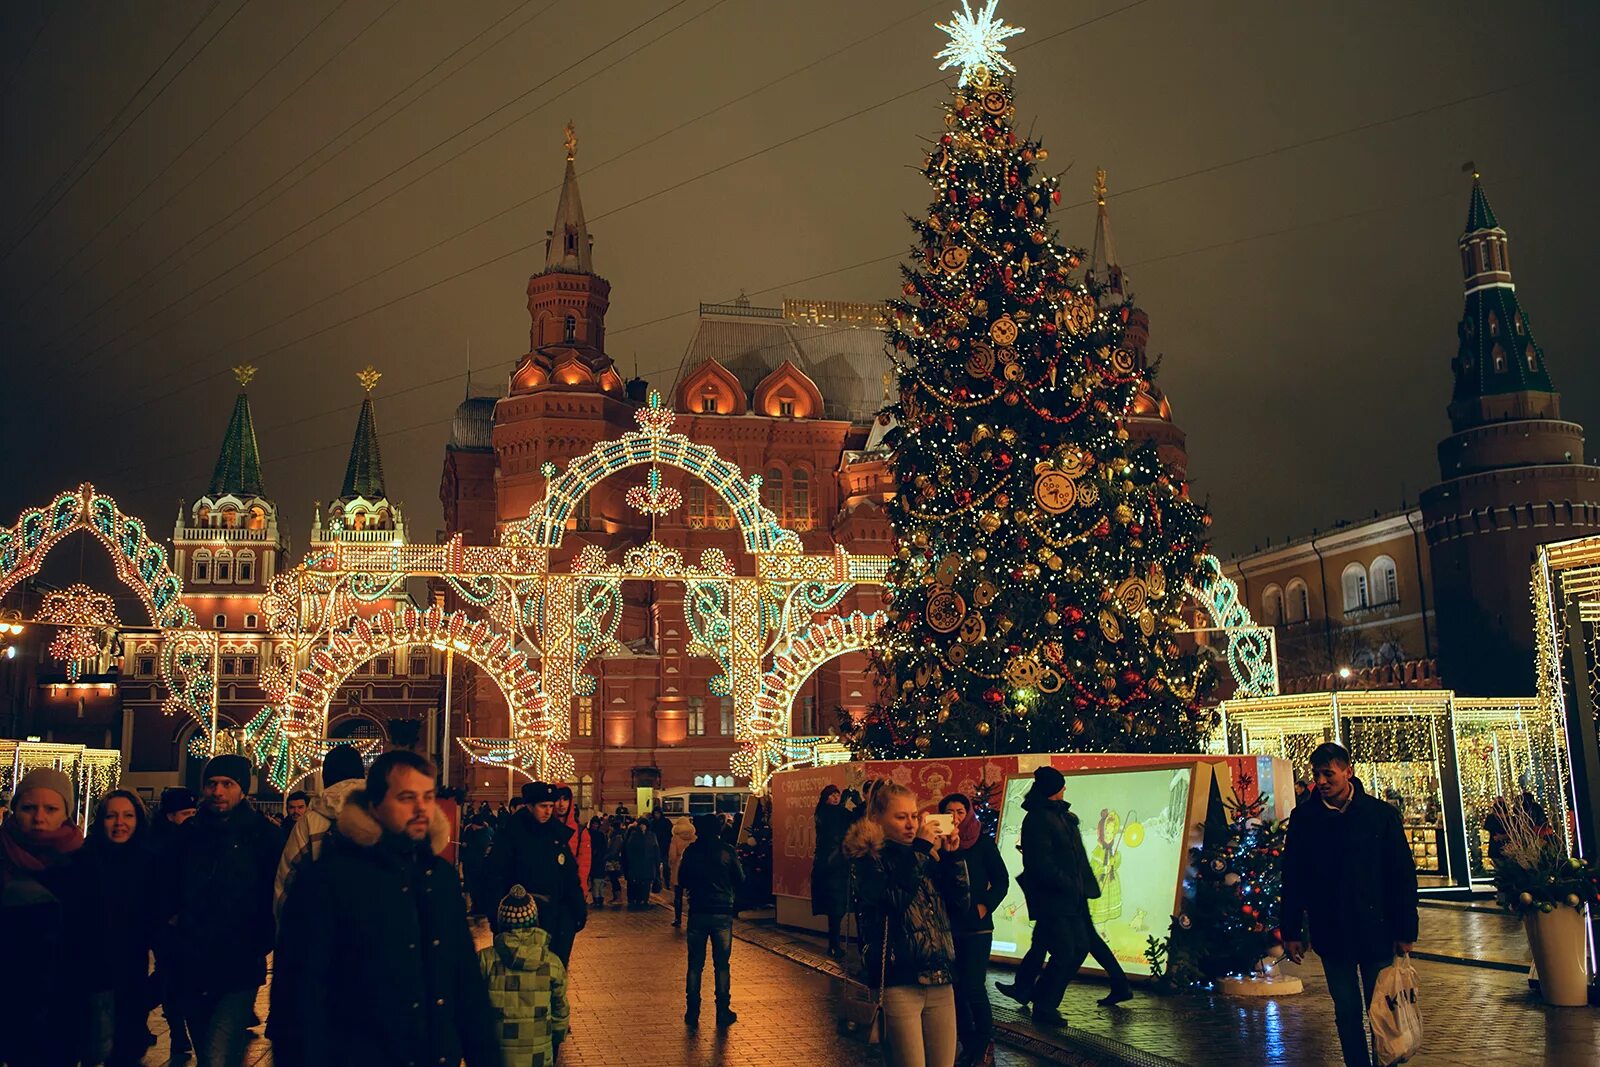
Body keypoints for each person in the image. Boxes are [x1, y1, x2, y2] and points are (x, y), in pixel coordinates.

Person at [273, 751, 499, 1067]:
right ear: (376, 804)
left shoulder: (439, 877)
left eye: (427, 796)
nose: (420, 808)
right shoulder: (328, 878)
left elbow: (465, 983)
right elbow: (300, 991)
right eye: (407, 797)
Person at [1281, 743, 1418, 1067]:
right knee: (1346, 1010)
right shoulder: (1305, 818)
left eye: (1328, 773)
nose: (1322, 781)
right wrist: (1291, 930)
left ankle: (1385, 1061)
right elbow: (1294, 876)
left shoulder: (1379, 815)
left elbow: (1401, 874)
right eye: (1317, 774)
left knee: (1382, 1008)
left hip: (1376, 928)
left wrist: (1405, 930)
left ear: (1348, 772)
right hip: (1332, 929)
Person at [163, 754, 281, 1067]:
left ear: (241, 789)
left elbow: (276, 890)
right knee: (207, 1052)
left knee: (216, 1055)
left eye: (227, 784)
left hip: (238, 963)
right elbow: (166, 885)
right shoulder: (188, 835)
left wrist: (260, 939)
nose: (218, 791)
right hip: (192, 961)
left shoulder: (262, 836)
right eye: (212, 783)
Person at [843, 781, 966, 1067]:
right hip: (898, 980)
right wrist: (921, 850)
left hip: (939, 977)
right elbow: (892, 900)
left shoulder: (925, 856)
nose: (911, 824)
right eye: (901, 817)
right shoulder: (868, 858)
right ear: (876, 819)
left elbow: (960, 905)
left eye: (914, 815)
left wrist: (952, 858)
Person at [0, 767, 86, 1066]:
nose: (39, 818)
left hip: (64, 1011)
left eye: (50, 809)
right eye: (29, 808)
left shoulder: (85, 865)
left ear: (66, 812)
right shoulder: (3, 858)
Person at [1009, 766, 1099, 1027]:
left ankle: (1040, 996)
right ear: (1053, 789)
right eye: (1062, 785)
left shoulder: (1062, 816)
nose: (1065, 789)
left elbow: (1076, 856)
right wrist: (1071, 883)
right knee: (1066, 950)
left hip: (1072, 897)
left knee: (1079, 947)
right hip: (1053, 899)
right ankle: (1045, 1005)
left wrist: (1084, 885)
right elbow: (1040, 863)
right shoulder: (1038, 819)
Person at [79, 789, 161, 1066]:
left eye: (127, 815)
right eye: (111, 816)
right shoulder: (85, 859)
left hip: (132, 973)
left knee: (126, 1049)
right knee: (94, 1047)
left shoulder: (149, 862)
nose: (119, 823)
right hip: (90, 972)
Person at [938, 793, 1009, 1067]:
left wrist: (985, 906)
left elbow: (1001, 881)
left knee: (974, 986)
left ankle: (984, 1042)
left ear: (968, 813)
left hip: (977, 928)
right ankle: (967, 1043)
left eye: (959, 810)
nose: (955, 816)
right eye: (949, 811)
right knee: (954, 988)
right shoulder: (939, 845)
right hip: (948, 925)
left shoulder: (983, 843)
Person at [493, 781, 587, 966]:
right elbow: (495, 877)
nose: (548, 811)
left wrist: (577, 912)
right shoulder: (511, 835)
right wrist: (497, 920)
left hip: (558, 919)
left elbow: (569, 875)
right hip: (522, 921)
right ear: (529, 806)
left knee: (555, 975)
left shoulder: (556, 835)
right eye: (543, 806)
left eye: (550, 806)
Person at [272, 743, 367, 926]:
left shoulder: (310, 821)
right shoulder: (382, 812)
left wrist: (284, 933)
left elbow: (287, 878)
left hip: (322, 926)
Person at [479, 885, 570, 1066]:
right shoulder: (551, 963)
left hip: (497, 1056)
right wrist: (556, 1038)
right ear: (535, 921)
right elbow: (560, 1012)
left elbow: (472, 1008)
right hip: (538, 1055)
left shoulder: (485, 961)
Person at [677, 812, 745, 1027]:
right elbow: (740, 879)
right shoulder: (727, 851)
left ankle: (692, 1010)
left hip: (698, 911)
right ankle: (722, 1010)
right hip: (722, 912)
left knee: (695, 965)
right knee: (722, 965)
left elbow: (682, 879)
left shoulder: (691, 851)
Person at [151, 786, 199, 1056]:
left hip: (186, 922)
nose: (190, 818)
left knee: (174, 977)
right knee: (169, 977)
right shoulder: (161, 844)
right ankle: (178, 1032)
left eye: (193, 812)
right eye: (185, 813)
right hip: (166, 923)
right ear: (170, 816)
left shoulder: (192, 839)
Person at [811, 784, 853, 958]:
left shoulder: (825, 813)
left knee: (836, 907)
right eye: (832, 795)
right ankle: (834, 944)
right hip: (832, 866)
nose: (835, 798)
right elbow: (841, 819)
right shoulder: (825, 813)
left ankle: (834, 943)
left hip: (832, 865)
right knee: (835, 907)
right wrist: (845, 801)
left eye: (837, 795)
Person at [460, 814, 497, 917]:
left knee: (475, 888)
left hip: (474, 865)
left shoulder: (477, 834)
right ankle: (481, 907)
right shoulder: (489, 831)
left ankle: (477, 908)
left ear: (475, 825)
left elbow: (474, 849)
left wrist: (466, 845)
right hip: (483, 865)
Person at [622, 817, 662, 908]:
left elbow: (656, 850)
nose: (643, 827)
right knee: (637, 882)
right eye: (641, 825)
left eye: (644, 825)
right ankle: (637, 899)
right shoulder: (634, 836)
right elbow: (629, 850)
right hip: (637, 864)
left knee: (646, 883)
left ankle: (644, 899)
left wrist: (657, 862)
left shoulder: (651, 836)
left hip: (648, 863)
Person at [667, 815, 696, 927]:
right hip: (692, 868)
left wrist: (671, 865)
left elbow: (672, 856)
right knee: (692, 895)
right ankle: (692, 918)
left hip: (679, 867)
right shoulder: (694, 838)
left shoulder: (675, 839)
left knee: (678, 895)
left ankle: (678, 919)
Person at [585, 816, 610, 908]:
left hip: (598, 861)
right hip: (590, 859)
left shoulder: (600, 835)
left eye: (596, 824)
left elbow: (604, 848)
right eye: (593, 824)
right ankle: (596, 898)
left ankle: (598, 898)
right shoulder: (588, 833)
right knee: (593, 880)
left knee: (597, 881)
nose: (595, 825)